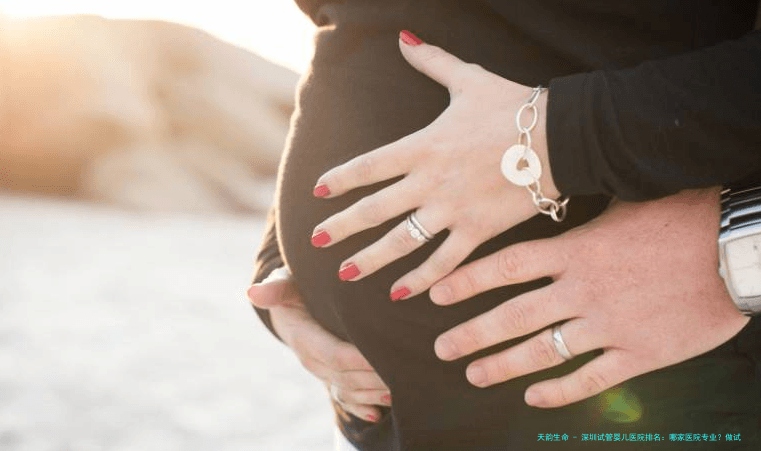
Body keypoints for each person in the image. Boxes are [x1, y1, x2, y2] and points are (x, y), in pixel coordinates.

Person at [248, 1, 761, 449]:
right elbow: (361, 33)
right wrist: (285, 260)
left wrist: (738, 251)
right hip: (378, 423)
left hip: (639, 400)